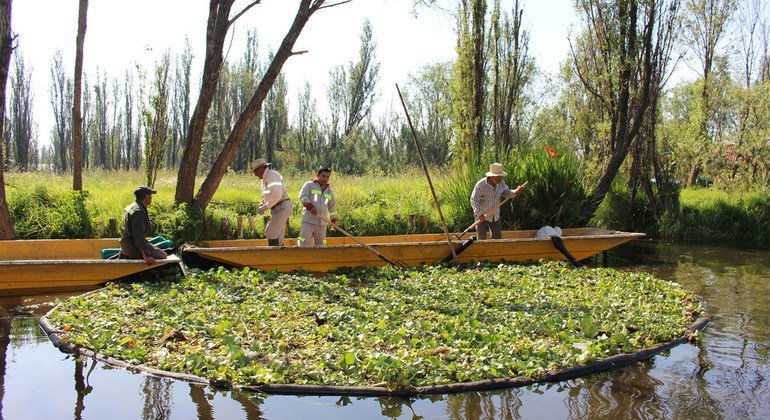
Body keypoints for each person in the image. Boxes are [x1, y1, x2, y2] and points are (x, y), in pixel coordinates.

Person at [470, 163, 526, 240]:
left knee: (497, 237)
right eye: (498, 176)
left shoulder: (501, 183)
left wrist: (517, 190)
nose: (500, 178)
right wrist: (479, 214)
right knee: (481, 239)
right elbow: (474, 200)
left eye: (501, 176)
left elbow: (507, 194)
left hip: (495, 215)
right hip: (481, 215)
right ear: (491, 176)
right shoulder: (481, 185)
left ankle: (493, 251)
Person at [120, 185, 168, 264]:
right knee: (163, 255)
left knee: (155, 250)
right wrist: (146, 256)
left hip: (126, 244)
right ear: (146, 196)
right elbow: (139, 237)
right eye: (150, 195)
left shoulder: (131, 207)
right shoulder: (138, 212)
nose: (151, 198)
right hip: (132, 246)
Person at [251, 158, 292, 246]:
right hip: (279, 207)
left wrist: (265, 207)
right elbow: (266, 195)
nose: (255, 174)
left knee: (271, 231)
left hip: (282, 205)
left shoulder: (272, 175)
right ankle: (279, 256)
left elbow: (277, 195)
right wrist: (262, 204)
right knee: (278, 235)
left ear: (260, 168)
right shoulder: (265, 178)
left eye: (255, 171)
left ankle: (273, 255)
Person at [297, 166, 338, 246]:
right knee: (303, 243)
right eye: (323, 176)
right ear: (317, 175)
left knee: (322, 245)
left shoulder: (329, 191)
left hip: (322, 224)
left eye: (327, 177)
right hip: (308, 222)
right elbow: (302, 196)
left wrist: (334, 221)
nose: (325, 179)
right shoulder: (309, 185)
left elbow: (332, 207)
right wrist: (310, 206)